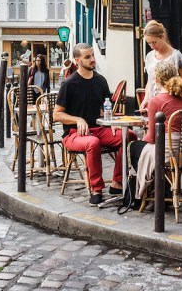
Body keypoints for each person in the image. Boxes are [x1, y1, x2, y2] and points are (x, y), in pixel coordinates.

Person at [53, 43, 135, 207]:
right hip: (74, 134)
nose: (92, 60)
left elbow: (107, 107)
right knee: (93, 143)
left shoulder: (100, 80)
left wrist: (111, 121)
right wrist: (77, 119)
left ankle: (117, 183)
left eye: (92, 56)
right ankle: (96, 189)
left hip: (98, 129)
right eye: (87, 57)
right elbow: (56, 114)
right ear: (77, 60)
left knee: (129, 135)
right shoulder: (69, 84)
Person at [129, 62, 182, 201]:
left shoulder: (156, 101)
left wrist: (145, 133)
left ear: (156, 80)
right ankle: (163, 190)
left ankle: (156, 192)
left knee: (133, 147)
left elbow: (152, 138)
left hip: (167, 155)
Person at [139, 20, 182, 111]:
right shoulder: (149, 56)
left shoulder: (176, 56)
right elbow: (150, 80)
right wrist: (146, 99)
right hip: (154, 103)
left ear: (163, 36)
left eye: (154, 42)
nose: (152, 46)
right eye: (149, 43)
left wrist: (171, 94)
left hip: (171, 104)